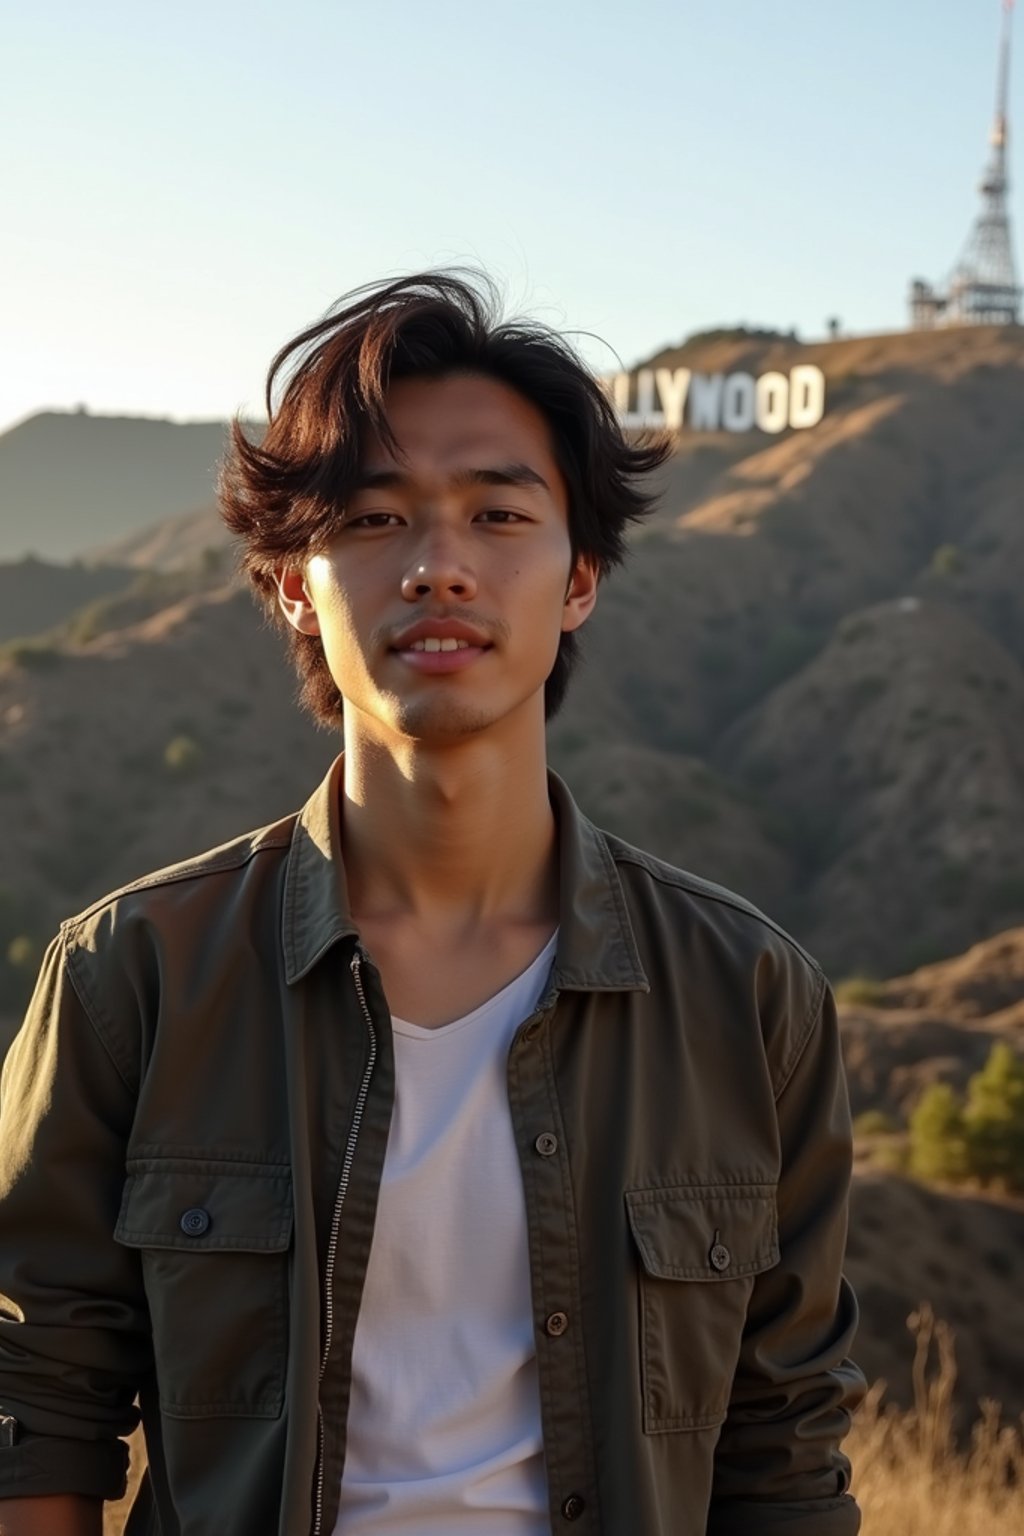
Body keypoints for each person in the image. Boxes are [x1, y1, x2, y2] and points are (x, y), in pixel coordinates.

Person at [0, 272, 865, 1536]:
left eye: (498, 514)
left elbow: (781, 1451)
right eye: (372, 519)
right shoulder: (135, 977)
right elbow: (33, 1407)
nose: (438, 567)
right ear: (295, 583)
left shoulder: (744, 996)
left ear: (579, 578)